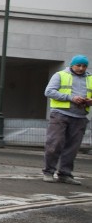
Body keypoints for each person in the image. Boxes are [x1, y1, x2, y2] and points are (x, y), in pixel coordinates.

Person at [43, 55, 91, 185]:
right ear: (72, 65)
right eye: (78, 65)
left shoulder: (90, 78)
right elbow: (49, 92)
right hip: (60, 114)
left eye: (84, 66)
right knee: (55, 143)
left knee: (72, 148)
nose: (81, 68)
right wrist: (71, 98)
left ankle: (65, 174)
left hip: (80, 117)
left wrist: (89, 101)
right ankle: (48, 172)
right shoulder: (60, 75)